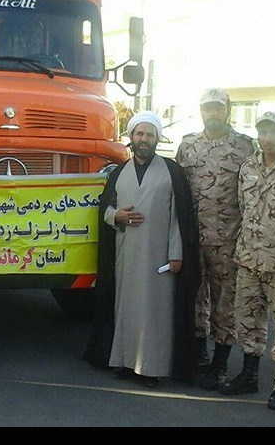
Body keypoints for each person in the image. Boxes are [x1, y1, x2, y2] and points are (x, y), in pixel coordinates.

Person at [84, 111, 201, 387]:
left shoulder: (172, 171)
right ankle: (125, 363)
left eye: (149, 134)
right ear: (132, 137)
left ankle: (150, 369)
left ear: (157, 139)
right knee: (125, 311)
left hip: (159, 258)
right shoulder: (118, 172)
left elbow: (180, 217)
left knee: (155, 314)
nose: (144, 139)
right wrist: (117, 216)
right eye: (139, 134)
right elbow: (105, 209)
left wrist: (176, 254)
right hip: (126, 255)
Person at [219, 112, 275, 410]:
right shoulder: (248, 167)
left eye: (273, 132)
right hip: (249, 258)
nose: (267, 138)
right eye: (262, 132)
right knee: (247, 319)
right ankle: (250, 374)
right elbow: (243, 208)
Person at [175, 87, 254, 390]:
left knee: (225, 302)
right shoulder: (188, 146)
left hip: (228, 240)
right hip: (193, 239)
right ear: (201, 111)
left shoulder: (245, 147)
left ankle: (220, 364)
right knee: (195, 298)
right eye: (208, 108)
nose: (213, 113)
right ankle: (199, 355)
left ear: (228, 110)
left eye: (218, 108)